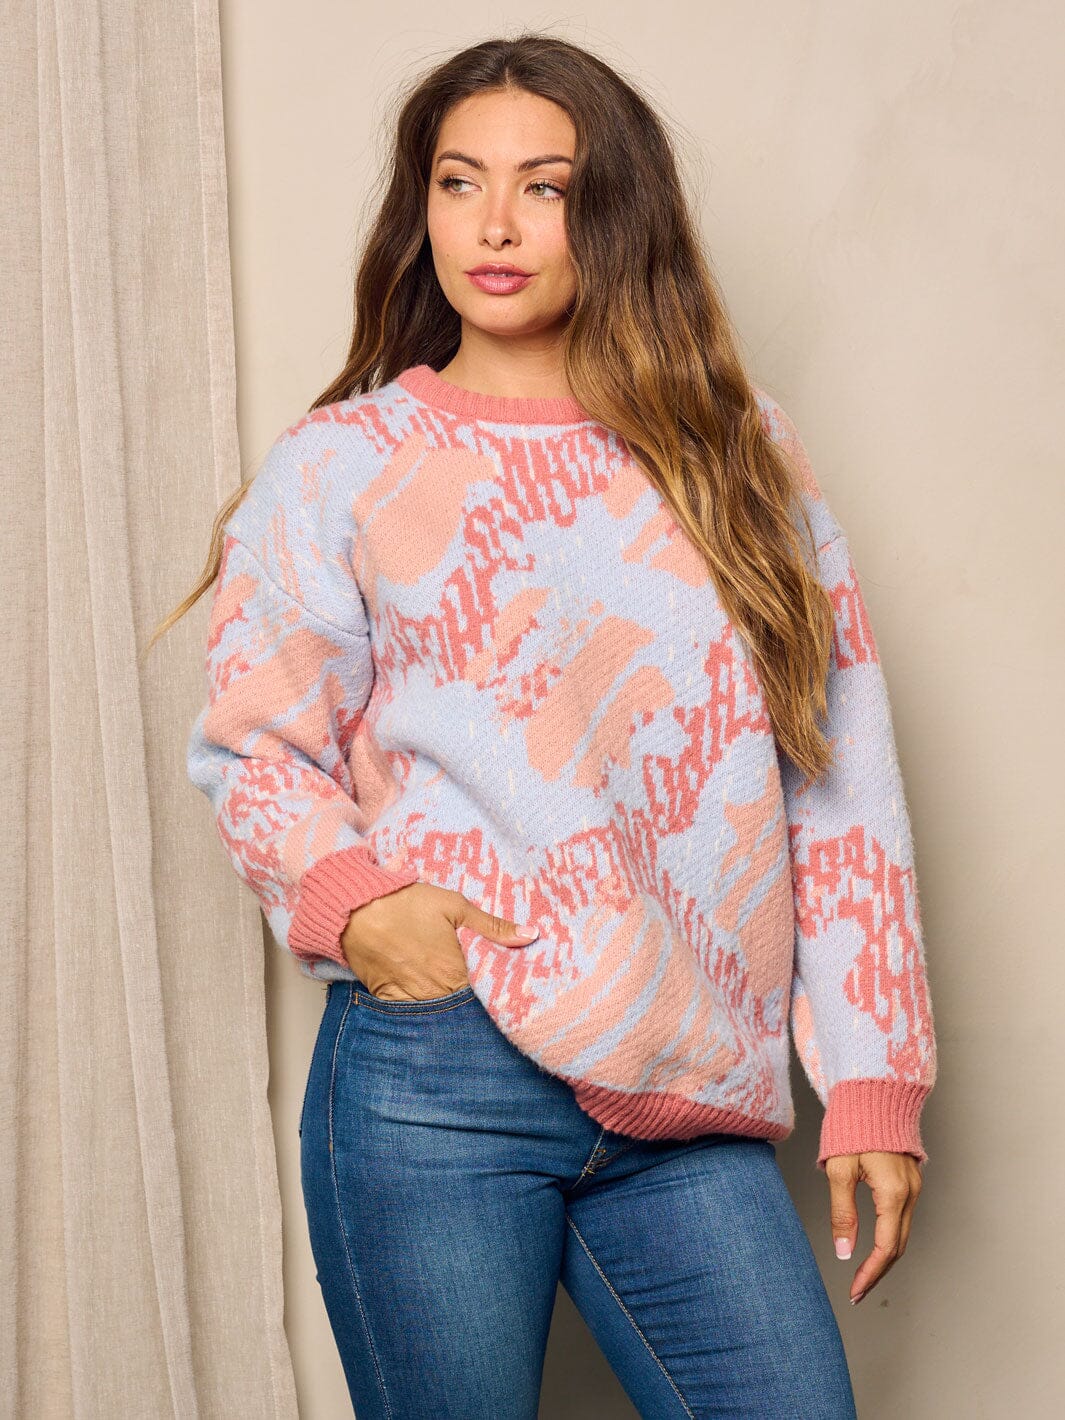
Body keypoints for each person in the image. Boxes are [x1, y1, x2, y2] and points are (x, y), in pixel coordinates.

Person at [160, 33, 938, 1420]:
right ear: (422, 210)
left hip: (686, 1079)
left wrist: (873, 1080)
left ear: (615, 210)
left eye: (546, 187)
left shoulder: (734, 452)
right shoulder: (344, 464)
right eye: (459, 183)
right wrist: (362, 907)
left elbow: (836, 779)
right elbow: (254, 746)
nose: (497, 225)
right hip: (438, 1070)